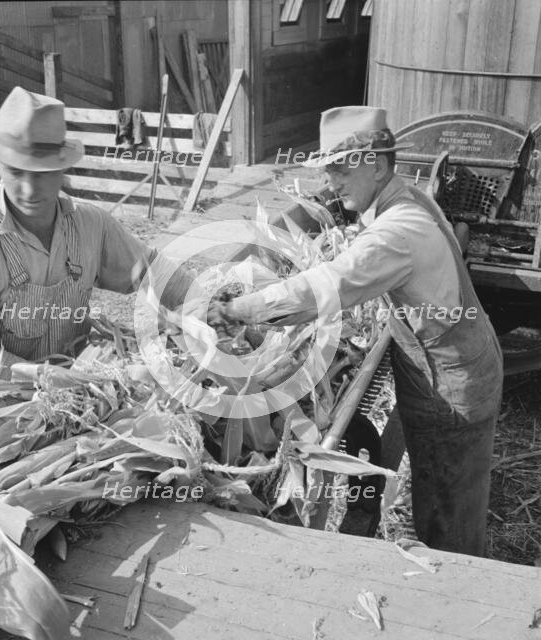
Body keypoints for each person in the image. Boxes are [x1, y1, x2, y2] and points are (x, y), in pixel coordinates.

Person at [210, 106, 503, 557]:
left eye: (343, 170)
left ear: (380, 165)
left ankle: (457, 594)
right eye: (328, 171)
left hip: (451, 384)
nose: (332, 183)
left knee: (448, 512)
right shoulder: (409, 199)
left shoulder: (397, 233)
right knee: (445, 489)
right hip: (459, 362)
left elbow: (322, 289)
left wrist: (239, 310)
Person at [0, 87, 194, 385]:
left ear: (63, 166)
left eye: (43, 173)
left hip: (75, 396)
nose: (30, 190)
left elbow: (153, 272)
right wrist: (72, 381)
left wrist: (215, 307)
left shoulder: (90, 224)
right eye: (16, 172)